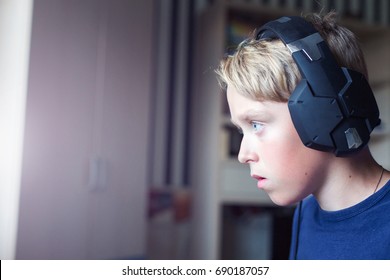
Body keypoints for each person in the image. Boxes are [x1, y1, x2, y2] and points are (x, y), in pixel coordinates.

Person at [216, 12, 390, 259]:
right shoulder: (307, 212)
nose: (244, 155)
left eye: (256, 124)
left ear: (328, 110)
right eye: (241, 130)